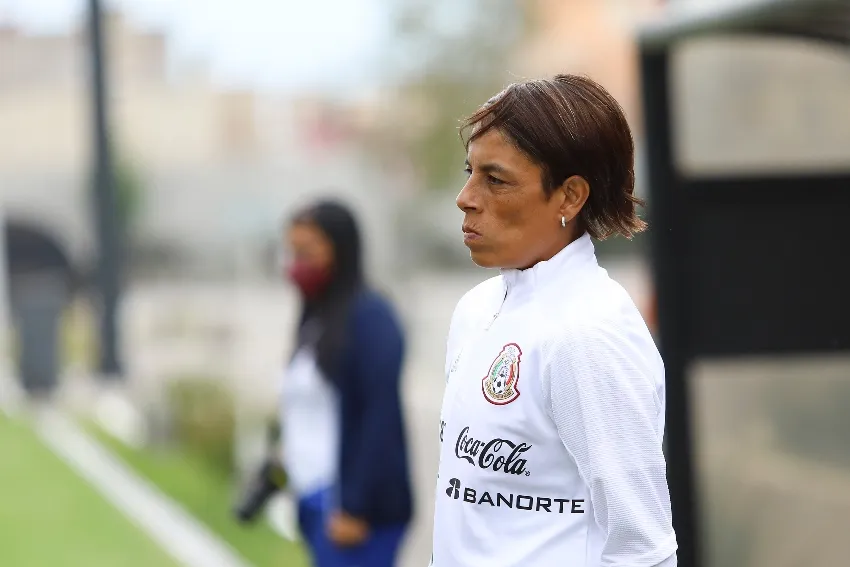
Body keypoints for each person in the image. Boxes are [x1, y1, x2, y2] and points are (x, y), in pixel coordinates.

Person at [430, 75, 678, 566]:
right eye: (469, 172)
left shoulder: (588, 333)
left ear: (569, 197)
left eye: (495, 179)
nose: (466, 196)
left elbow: (644, 547)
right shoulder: (477, 309)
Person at [279, 199, 413, 567]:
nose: (296, 264)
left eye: (307, 252)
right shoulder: (316, 318)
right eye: (293, 252)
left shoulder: (372, 317)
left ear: (340, 248)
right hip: (313, 497)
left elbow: (379, 415)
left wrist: (355, 506)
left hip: (354, 508)